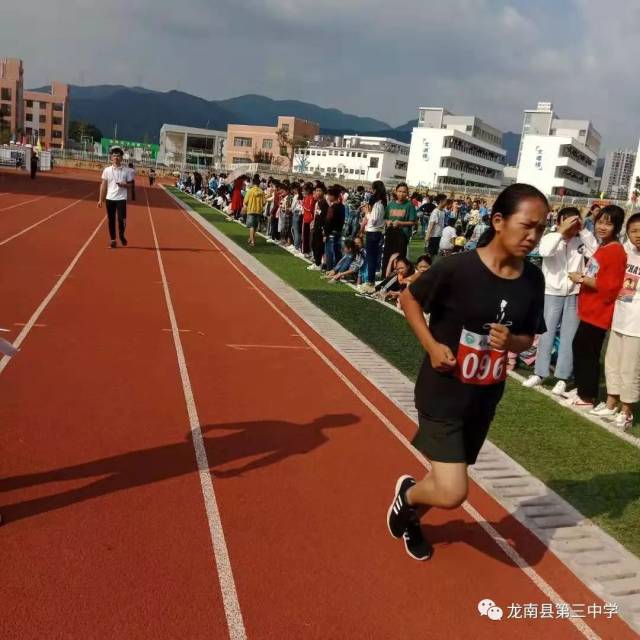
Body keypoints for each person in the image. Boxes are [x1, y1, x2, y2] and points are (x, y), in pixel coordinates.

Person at [388, 183, 547, 560]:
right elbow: (409, 297)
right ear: (497, 221)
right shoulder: (459, 268)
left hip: (484, 395)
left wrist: (510, 342)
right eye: (527, 225)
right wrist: (431, 345)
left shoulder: (533, 279)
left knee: (448, 480)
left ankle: (410, 515)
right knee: (453, 491)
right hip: (442, 390)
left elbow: (528, 338)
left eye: (541, 228)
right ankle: (407, 495)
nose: (533, 236)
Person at [522, 207, 598, 396]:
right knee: (546, 334)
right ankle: (539, 373)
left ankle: (563, 377)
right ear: (559, 221)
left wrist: (583, 230)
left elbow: (596, 251)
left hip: (574, 293)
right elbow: (545, 252)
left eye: (575, 223)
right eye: (568, 222)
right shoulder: (550, 237)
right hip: (551, 292)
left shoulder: (581, 239)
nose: (572, 227)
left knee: (568, 336)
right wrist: (561, 232)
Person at [566, 205, 627, 410]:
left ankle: (587, 396)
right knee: (582, 348)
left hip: (599, 312)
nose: (602, 227)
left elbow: (609, 287)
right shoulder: (605, 246)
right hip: (591, 309)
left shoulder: (615, 250)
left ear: (617, 227)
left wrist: (581, 278)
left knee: (587, 352)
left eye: (608, 223)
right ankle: (583, 388)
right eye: (600, 222)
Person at [592, 213, 640, 430]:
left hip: (636, 324)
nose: (638, 236)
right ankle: (611, 404)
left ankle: (627, 412)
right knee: (612, 364)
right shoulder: (625, 252)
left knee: (630, 369)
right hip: (619, 317)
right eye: (634, 231)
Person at [382, 183, 417, 275]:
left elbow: (413, 222)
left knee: (399, 257)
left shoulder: (409, 205)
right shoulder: (391, 204)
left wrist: (401, 223)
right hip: (390, 233)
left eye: (404, 192)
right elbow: (384, 218)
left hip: (402, 235)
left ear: (407, 193)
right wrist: (388, 222)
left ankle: (398, 277)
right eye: (400, 191)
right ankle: (385, 276)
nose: (401, 194)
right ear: (396, 192)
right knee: (387, 255)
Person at [98, 147, 129, 249]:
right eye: (114, 155)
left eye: (118, 155)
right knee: (111, 220)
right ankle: (113, 240)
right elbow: (103, 185)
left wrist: (124, 185)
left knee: (121, 220)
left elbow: (131, 185)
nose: (116, 157)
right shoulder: (107, 170)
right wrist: (100, 199)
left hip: (121, 199)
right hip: (110, 198)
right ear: (111, 157)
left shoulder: (126, 171)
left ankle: (121, 235)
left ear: (121, 158)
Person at [359, 180, 387, 294]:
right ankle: (370, 280)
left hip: (373, 232)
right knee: (373, 257)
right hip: (376, 232)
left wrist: (367, 212)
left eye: (372, 189)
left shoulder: (378, 204)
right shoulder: (381, 203)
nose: (370, 191)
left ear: (375, 190)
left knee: (371, 257)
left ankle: (370, 281)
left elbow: (374, 220)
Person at [323, 184, 346, 271]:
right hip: (339, 231)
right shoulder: (342, 207)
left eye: (329, 195)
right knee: (337, 252)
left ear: (333, 196)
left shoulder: (332, 208)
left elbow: (328, 221)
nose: (328, 197)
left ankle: (330, 269)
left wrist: (325, 233)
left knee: (329, 252)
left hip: (331, 232)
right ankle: (337, 269)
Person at [308, 183, 328, 271]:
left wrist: (322, 228)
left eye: (320, 191)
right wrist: (313, 222)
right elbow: (317, 215)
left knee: (318, 245)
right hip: (316, 226)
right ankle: (317, 261)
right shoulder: (318, 202)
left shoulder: (323, 203)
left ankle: (318, 263)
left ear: (323, 192)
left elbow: (323, 217)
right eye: (316, 191)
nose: (317, 192)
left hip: (320, 228)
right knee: (314, 244)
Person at [243, 175, 266, 247]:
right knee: (255, 226)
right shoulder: (261, 191)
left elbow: (245, 201)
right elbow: (264, 202)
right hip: (258, 211)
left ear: (253, 183)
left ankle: (252, 241)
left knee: (251, 226)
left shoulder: (250, 191)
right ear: (259, 184)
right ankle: (251, 238)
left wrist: (245, 207)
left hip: (251, 210)